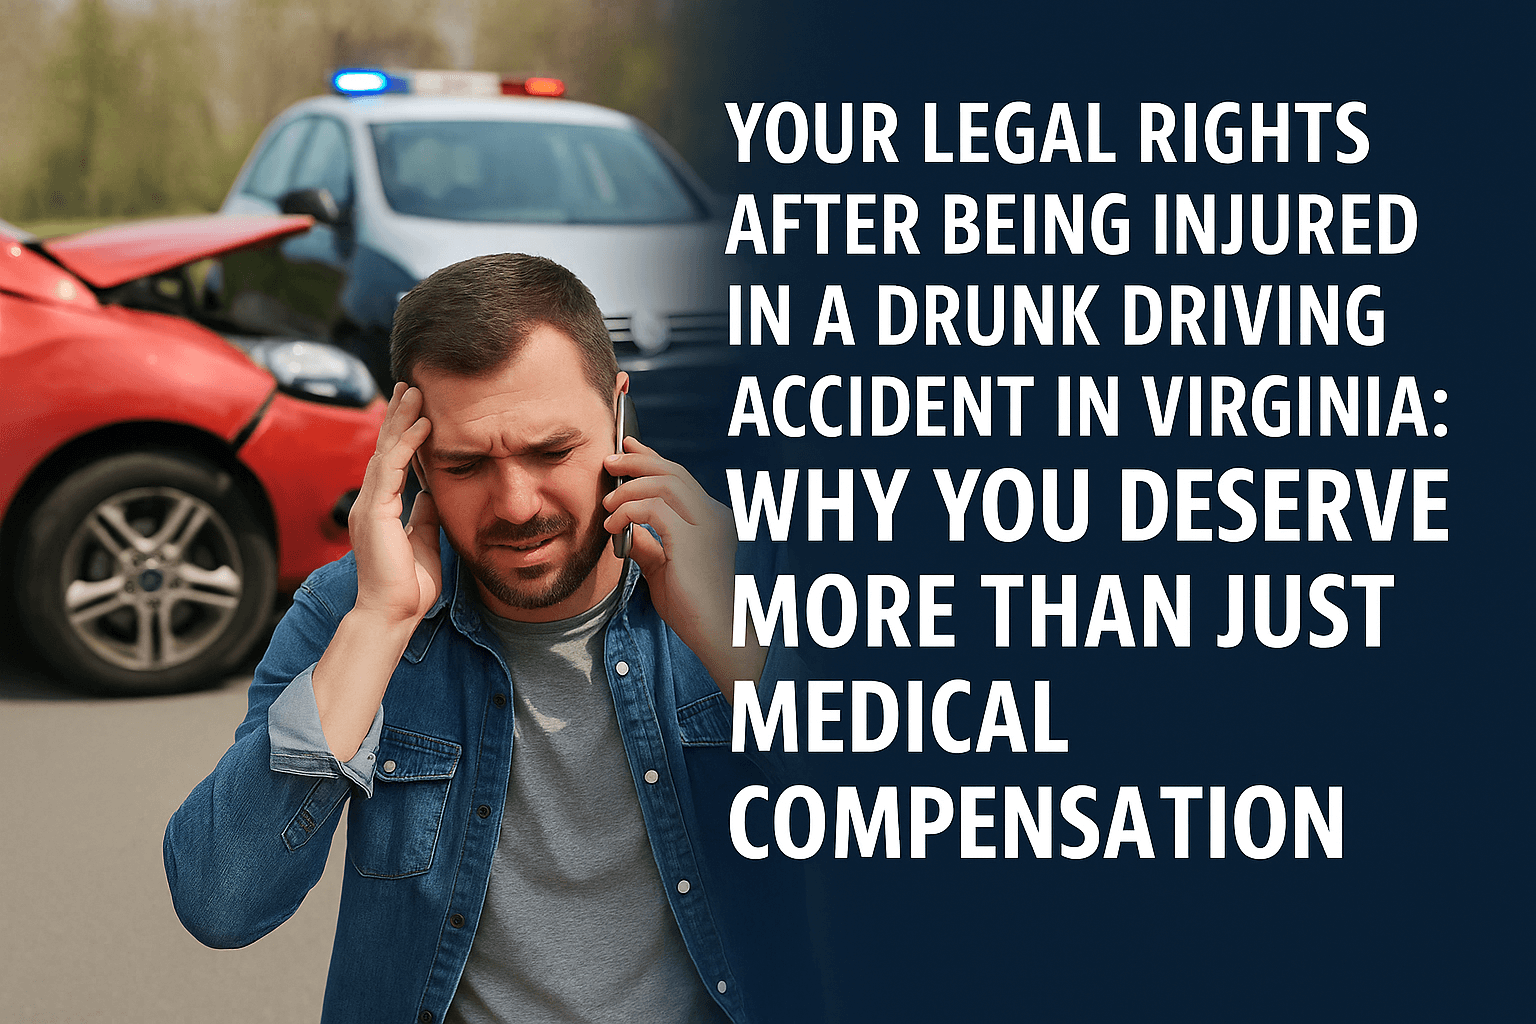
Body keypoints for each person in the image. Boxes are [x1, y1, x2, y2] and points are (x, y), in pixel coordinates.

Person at [164, 253, 775, 1024]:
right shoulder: (353, 613)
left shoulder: (751, 577)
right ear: (412, 460)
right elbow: (221, 899)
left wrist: (739, 649)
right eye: (465, 464)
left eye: (552, 451)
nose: (517, 505)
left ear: (621, 415)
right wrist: (380, 625)